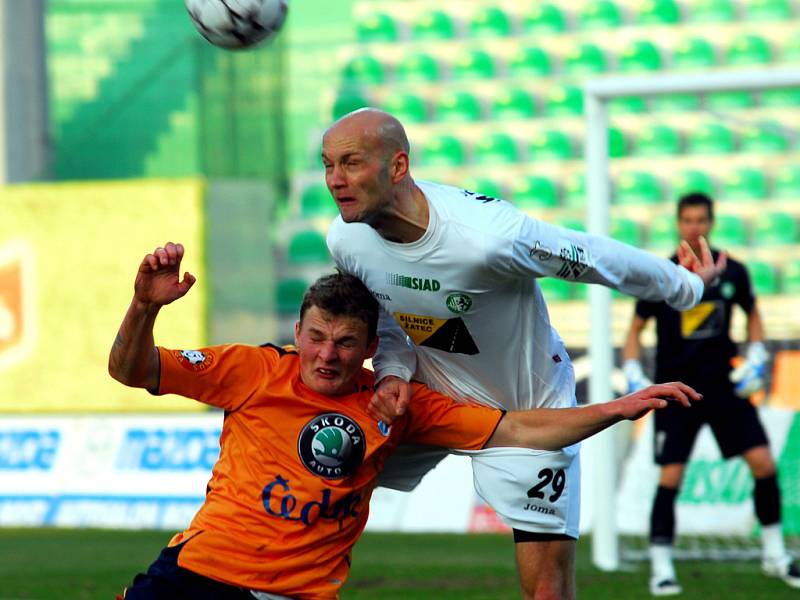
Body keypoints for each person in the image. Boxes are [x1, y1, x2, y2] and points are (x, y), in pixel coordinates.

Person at [110, 242, 699, 600]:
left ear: (370, 346)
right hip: (195, 578)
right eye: (315, 338)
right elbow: (129, 370)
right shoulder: (251, 370)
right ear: (297, 333)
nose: (326, 355)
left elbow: (519, 429)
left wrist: (616, 409)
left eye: (345, 342)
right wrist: (144, 306)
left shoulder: (397, 403)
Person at [322, 108, 727, 600]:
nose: (335, 181)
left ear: (398, 166)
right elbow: (385, 317)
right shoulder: (345, 238)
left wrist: (685, 286)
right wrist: (390, 371)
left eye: (351, 163)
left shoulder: (487, 237)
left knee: (546, 592)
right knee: (318, 472)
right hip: (429, 400)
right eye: (328, 166)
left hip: (527, 410)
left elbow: (592, 255)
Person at [622, 191, 800, 596]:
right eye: (687, 220)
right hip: (676, 391)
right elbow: (634, 331)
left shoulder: (732, 271)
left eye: (701, 220)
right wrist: (633, 371)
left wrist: (756, 355)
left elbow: (753, 314)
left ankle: (775, 555)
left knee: (764, 466)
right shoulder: (661, 274)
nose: (694, 227)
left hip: (723, 386)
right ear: (678, 223)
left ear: (712, 222)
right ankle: (661, 567)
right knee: (670, 477)